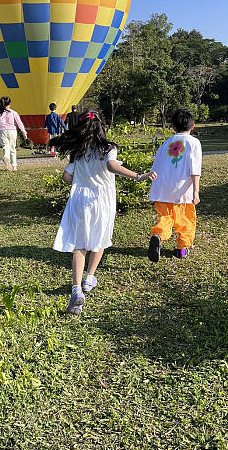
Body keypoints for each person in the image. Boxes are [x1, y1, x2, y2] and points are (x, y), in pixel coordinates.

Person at [51, 110, 157, 315]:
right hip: (101, 199)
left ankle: (76, 289)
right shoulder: (108, 148)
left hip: (80, 199)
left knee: (80, 246)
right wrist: (139, 176)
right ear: (101, 127)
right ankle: (89, 278)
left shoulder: (78, 151)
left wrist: (82, 183)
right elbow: (111, 166)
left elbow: (66, 176)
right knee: (100, 239)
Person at [147, 108, 202, 262]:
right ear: (192, 126)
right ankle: (182, 250)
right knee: (185, 219)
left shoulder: (166, 143)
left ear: (173, 128)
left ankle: (158, 235)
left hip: (161, 188)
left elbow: (156, 166)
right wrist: (196, 192)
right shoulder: (193, 142)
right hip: (181, 190)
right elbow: (195, 169)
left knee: (165, 217)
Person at [0, 96, 28, 171]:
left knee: (5, 146)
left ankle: (5, 157)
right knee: (12, 148)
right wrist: (24, 132)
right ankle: (14, 166)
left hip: (2, 131)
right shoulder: (13, 112)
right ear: (9, 103)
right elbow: (19, 122)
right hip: (12, 131)